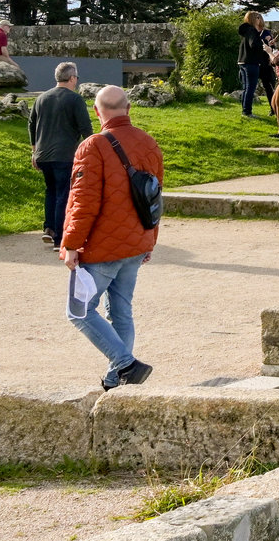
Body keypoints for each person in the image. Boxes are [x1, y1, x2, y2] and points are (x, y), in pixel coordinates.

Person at [59, 84, 162, 390]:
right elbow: (155, 198)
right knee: (121, 312)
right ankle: (115, 382)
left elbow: (83, 202)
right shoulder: (149, 143)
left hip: (101, 249)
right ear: (128, 108)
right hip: (136, 243)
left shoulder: (92, 146)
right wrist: (150, 239)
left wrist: (71, 244)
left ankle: (125, 364)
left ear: (96, 112)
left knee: (79, 311)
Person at [30, 61, 93, 247]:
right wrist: (92, 151)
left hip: (43, 154)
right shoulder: (75, 99)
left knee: (51, 191)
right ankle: (59, 237)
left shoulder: (41, 98)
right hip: (64, 155)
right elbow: (86, 128)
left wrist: (34, 151)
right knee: (63, 194)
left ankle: (49, 228)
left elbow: (31, 124)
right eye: (76, 77)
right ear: (72, 78)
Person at [236, 11, 272, 118]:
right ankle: (247, 112)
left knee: (246, 88)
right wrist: (265, 44)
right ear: (253, 19)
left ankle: (245, 111)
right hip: (251, 63)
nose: (259, 19)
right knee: (250, 88)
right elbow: (254, 45)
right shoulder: (252, 30)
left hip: (242, 62)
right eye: (257, 17)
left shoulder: (246, 31)